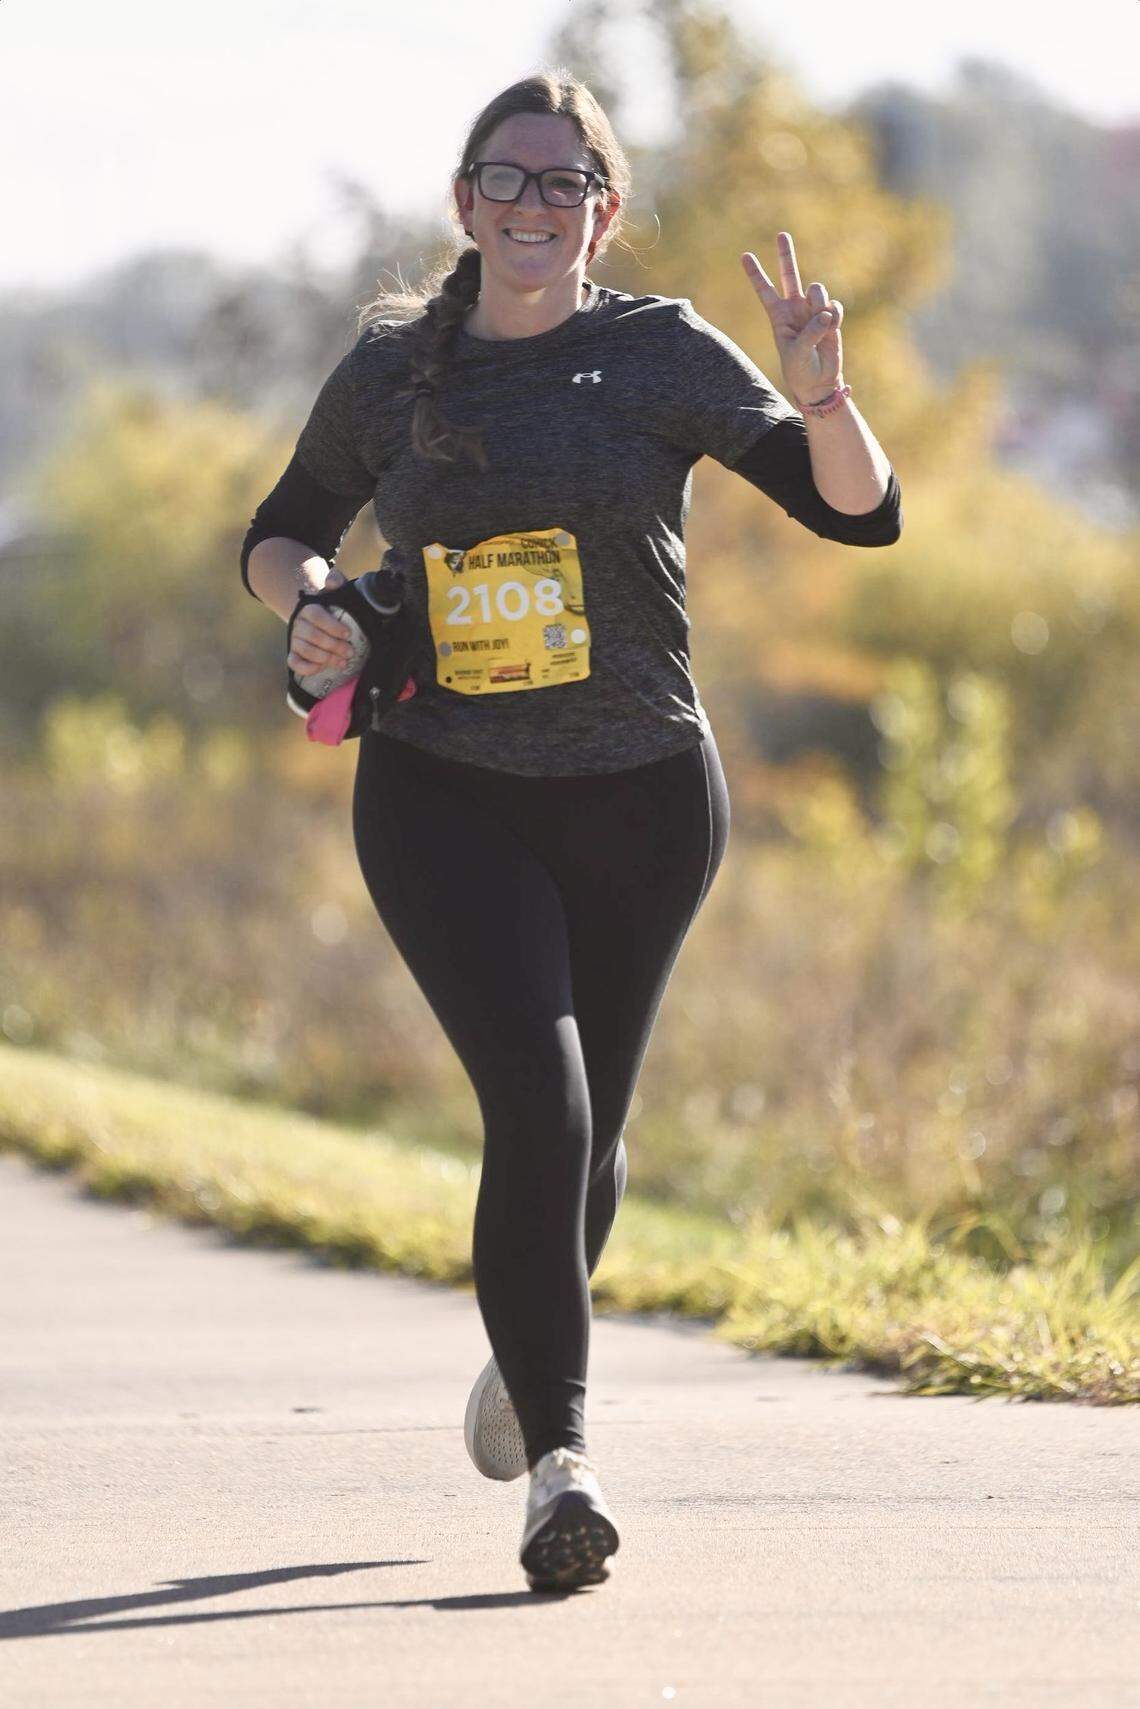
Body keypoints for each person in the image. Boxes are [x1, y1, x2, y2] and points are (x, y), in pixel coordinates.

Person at [239, 69, 902, 1594]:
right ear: (465, 202)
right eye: (506, 178)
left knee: (590, 1136)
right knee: (536, 1110)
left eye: (565, 184)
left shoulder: (657, 354)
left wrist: (820, 393)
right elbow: (280, 528)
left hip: (642, 797)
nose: (534, 207)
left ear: (604, 212)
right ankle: (563, 1468)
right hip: (441, 787)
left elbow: (859, 515)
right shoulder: (396, 375)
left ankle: (529, 1349)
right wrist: (322, 608)